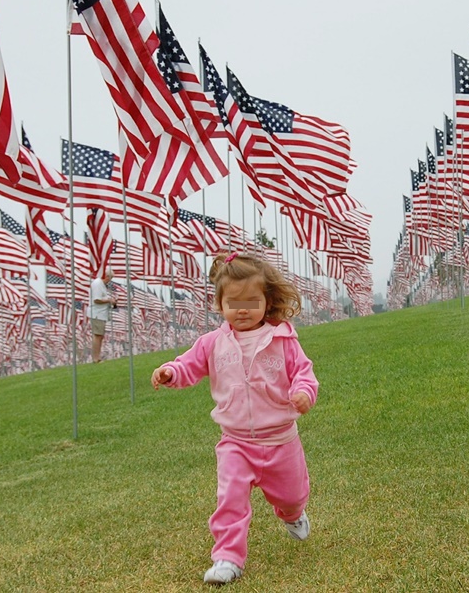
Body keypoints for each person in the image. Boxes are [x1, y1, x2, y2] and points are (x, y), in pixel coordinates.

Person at [152, 251, 318, 586]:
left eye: (252, 301)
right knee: (229, 498)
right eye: (233, 302)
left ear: (267, 301)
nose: (242, 310)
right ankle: (227, 557)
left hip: (280, 440)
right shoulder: (212, 343)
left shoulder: (282, 339)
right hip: (235, 442)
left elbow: (304, 373)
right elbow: (189, 365)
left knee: (291, 495)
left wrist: (303, 393)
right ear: (219, 304)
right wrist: (171, 372)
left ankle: (291, 514)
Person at [88, 270, 115, 363]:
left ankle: (97, 357)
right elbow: (97, 300)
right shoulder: (97, 284)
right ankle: (95, 358)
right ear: (107, 276)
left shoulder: (102, 285)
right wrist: (109, 300)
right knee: (97, 335)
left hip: (102, 314)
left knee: (100, 336)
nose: (110, 280)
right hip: (97, 313)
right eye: (110, 278)